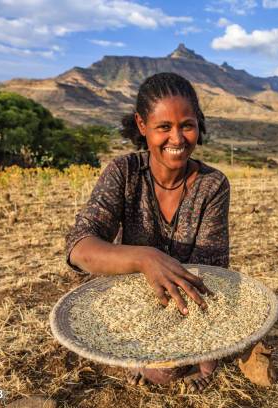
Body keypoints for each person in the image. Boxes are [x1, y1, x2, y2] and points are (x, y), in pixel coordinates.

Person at [64, 72, 229, 392]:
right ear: (142, 125)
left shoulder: (213, 184)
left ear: (199, 124)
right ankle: (149, 354)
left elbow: (212, 269)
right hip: (136, 297)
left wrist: (186, 320)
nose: (178, 139)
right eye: (164, 127)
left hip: (190, 296)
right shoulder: (124, 172)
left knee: (186, 365)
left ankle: (196, 360)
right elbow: (79, 247)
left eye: (187, 125)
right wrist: (144, 258)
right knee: (160, 371)